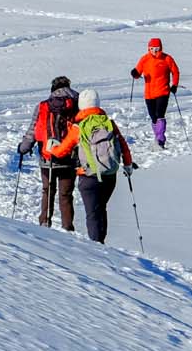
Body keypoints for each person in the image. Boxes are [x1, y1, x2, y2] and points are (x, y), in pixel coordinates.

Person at [42, 88, 136, 244]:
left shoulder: (79, 127)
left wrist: (51, 148)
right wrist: (127, 165)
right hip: (109, 175)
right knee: (101, 209)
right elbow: (123, 145)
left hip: (88, 176)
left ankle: (96, 247)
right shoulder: (109, 123)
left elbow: (62, 151)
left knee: (92, 213)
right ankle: (101, 241)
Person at [14, 75, 81, 232]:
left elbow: (33, 130)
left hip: (47, 155)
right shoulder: (77, 103)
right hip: (69, 157)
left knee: (47, 190)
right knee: (66, 194)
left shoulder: (43, 105)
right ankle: (67, 228)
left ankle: (45, 223)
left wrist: (23, 147)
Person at [131, 37, 180, 147]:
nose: (154, 51)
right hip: (149, 94)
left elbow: (175, 72)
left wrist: (174, 85)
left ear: (161, 48)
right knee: (153, 117)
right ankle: (157, 136)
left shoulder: (167, 59)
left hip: (163, 92)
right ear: (148, 48)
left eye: (157, 48)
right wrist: (135, 74)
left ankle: (160, 139)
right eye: (152, 48)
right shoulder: (144, 59)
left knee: (160, 114)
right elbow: (138, 72)